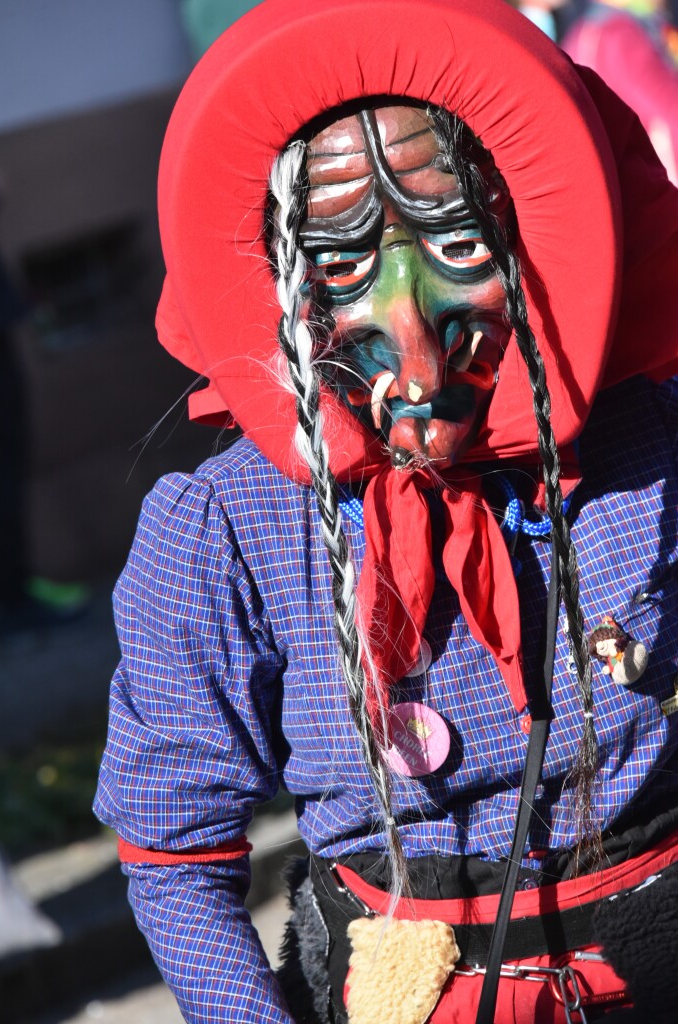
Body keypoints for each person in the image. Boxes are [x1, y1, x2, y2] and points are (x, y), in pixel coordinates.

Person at [94, 1, 678, 1021]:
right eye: (342, 264)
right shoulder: (218, 534)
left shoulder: (659, 445)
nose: (412, 347)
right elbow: (174, 854)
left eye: (457, 242)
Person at [562, 0, 678, 183]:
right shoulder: (622, 34)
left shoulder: (579, 33)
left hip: (609, 179)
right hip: (650, 182)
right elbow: (670, 111)